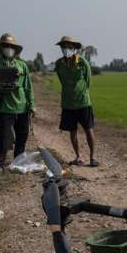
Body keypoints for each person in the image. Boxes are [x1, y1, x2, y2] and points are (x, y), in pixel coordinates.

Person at [0, 33, 34, 171]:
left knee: (22, 135)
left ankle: (18, 161)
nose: (8, 48)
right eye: (5, 46)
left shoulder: (22, 65)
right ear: (1, 48)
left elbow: (28, 87)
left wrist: (32, 105)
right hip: (4, 106)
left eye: (10, 46)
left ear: (15, 49)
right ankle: (0, 162)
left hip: (22, 106)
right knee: (4, 136)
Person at [55, 35, 98, 166]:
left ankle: (92, 158)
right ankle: (78, 157)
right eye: (64, 47)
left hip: (83, 102)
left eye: (69, 46)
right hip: (68, 104)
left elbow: (88, 81)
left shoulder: (83, 62)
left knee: (88, 129)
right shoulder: (59, 64)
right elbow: (62, 81)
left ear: (74, 48)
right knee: (72, 131)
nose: (66, 49)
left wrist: (82, 91)